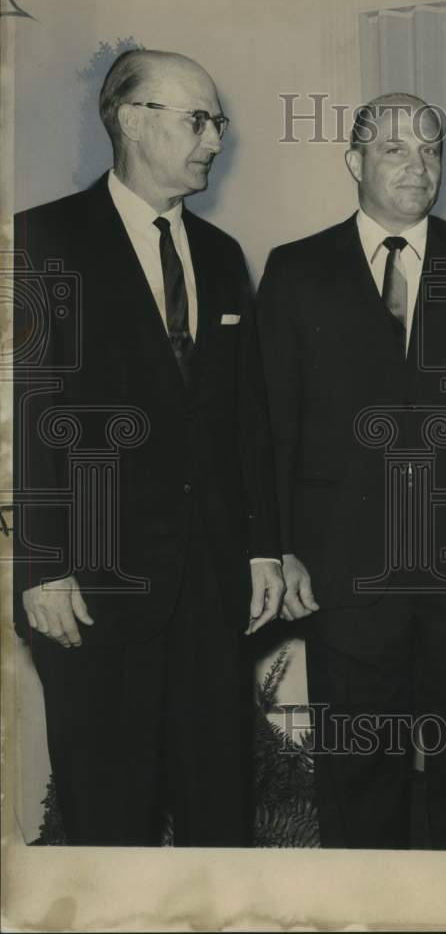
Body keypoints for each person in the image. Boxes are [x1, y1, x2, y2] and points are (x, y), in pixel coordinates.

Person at [257, 93, 446, 850]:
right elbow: (270, 423)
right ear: (354, 161)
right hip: (345, 571)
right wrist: (280, 546)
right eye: (395, 150)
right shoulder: (296, 270)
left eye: (430, 150)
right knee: (357, 775)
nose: (417, 167)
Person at [13, 49, 285, 846]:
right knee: (109, 824)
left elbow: (246, 420)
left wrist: (262, 549)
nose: (215, 141)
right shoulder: (39, 240)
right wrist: (43, 565)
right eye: (199, 120)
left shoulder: (223, 257)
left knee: (220, 820)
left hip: (211, 590)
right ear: (134, 120)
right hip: (92, 590)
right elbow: (25, 413)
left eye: (216, 123)